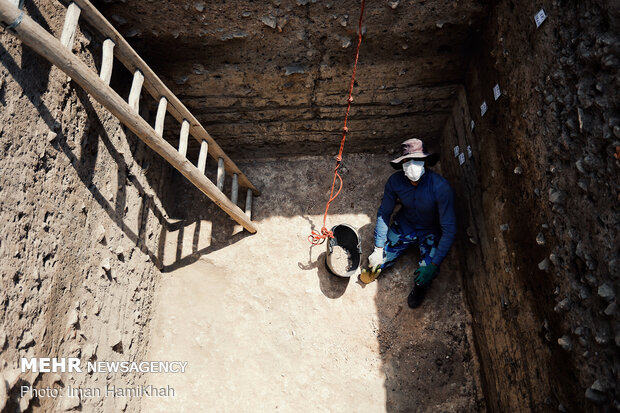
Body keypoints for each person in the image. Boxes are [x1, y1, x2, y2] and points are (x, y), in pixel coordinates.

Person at [360, 138, 456, 308]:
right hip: (405, 225)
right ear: (402, 162)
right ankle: (378, 266)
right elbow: (384, 213)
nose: (412, 164)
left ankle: (420, 287)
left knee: (425, 273)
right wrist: (378, 248)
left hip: (430, 232)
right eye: (408, 160)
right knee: (379, 260)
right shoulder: (395, 182)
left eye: (417, 160)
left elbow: (449, 229)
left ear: (425, 161)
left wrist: (434, 265)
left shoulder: (440, 188)